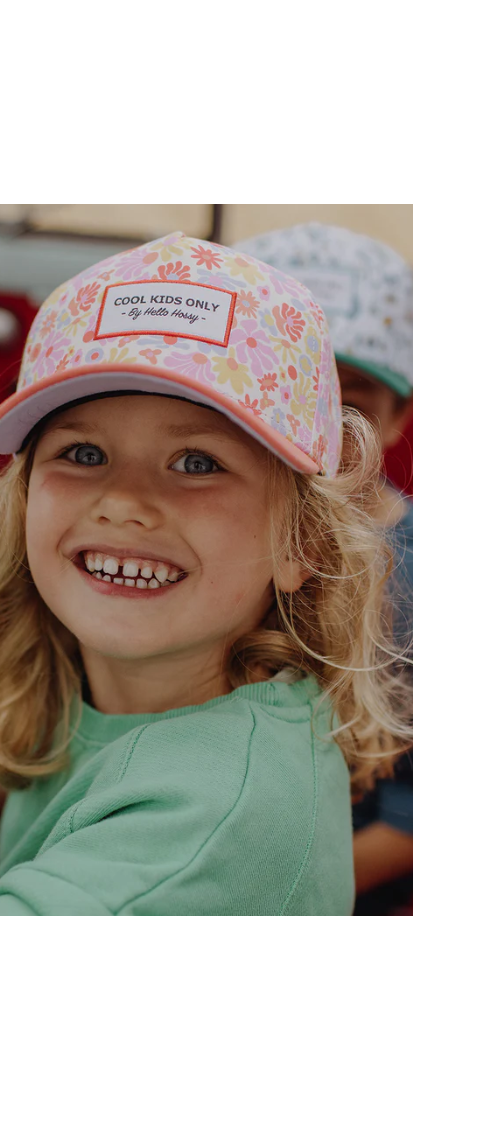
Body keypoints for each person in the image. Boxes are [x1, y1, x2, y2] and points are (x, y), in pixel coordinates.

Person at [0, 231, 411, 916]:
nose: (122, 502)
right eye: (83, 451)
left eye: (197, 463)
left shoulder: (207, 824)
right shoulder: (134, 680)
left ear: (301, 544)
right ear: (23, 504)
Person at [233, 223, 413, 912]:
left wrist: (269, 893)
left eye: (353, 404)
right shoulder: (198, 544)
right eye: (291, 391)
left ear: (397, 418)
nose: (316, 424)